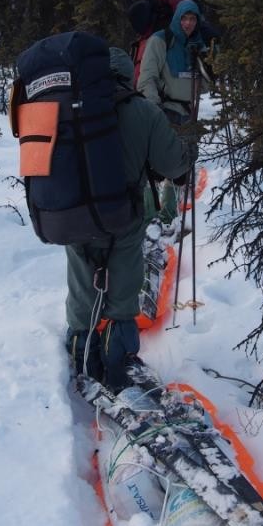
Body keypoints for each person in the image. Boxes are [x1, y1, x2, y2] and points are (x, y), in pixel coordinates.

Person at [65, 46, 193, 393]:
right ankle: (118, 366)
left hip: (73, 215)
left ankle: (81, 359)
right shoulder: (143, 111)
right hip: (122, 215)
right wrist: (187, 152)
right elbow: (173, 165)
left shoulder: (67, 106)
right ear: (128, 75)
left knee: (82, 288)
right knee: (122, 294)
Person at [136, 0, 208, 224]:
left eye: (193, 19)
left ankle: (169, 214)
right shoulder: (160, 40)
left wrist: (206, 63)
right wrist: (153, 108)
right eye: (184, 18)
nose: (188, 23)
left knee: (182, 165)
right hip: (163, 110)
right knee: (156, 164)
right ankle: (149, 215)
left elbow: (205, 86)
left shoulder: (198, 46)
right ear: (177, 18)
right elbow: (146, 78)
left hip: (188, 113)